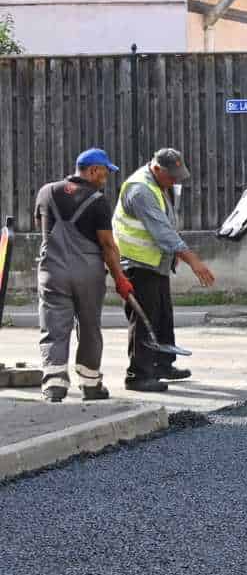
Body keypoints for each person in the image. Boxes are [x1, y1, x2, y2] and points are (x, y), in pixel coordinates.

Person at [33, 149, 134, 403]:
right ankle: (90, 385)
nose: (106, 177)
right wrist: (120, 278)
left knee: (54, 326)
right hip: (88, 274)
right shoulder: (97, 200)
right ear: (92, 170)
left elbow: (40, 227)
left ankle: (54, 385)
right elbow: (108, 245)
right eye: (105, 172)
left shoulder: (47, 192)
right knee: (89, 326)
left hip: (52, 271)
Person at [112, 148, 215, 391]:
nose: (175, 180)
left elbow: (166, 222)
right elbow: (161, 231)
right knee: (145, 319)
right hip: (137, 265)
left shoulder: (158, 184)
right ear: (157, 169)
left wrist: (172, 254)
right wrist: (192, 259)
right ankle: (138, 375)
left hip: (155, 263)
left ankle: (162, 365)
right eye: (172, 176)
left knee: (162, 318)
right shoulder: (140, 190)